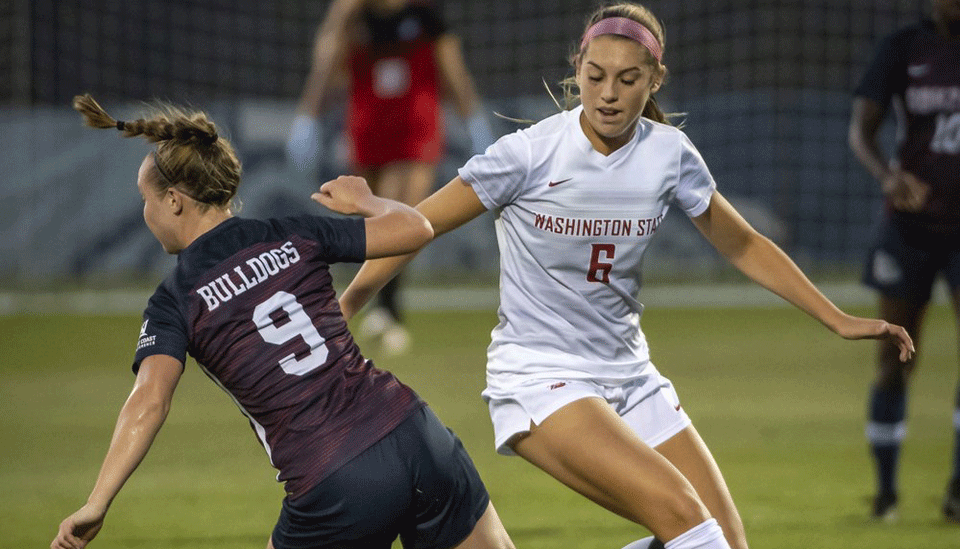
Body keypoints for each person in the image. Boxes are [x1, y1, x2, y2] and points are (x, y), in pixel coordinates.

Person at [337, 3, 918, 549]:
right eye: (595, 76)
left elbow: (743, 244)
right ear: (577, 71)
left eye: (628, 79)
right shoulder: (529, 154)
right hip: (541, 378)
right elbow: (413, 228)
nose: (608, 94)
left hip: (632, 377)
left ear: (655, 80)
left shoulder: (670, 153)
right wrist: (345, 308)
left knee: (724, 542)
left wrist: (837, 319)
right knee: (686, 519)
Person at [51, 94, 516, 549]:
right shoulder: (293, 232)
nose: (145, 212)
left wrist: (97, 502)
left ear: (173, 200)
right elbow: (417, 227)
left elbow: (149, 402)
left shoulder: (175, 299)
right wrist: (368, 200)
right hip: (415, 433)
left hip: (334, 477)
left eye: (146, 200)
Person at [287, 0, 495, 355]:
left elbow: (452, 71)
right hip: (368, 130)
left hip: (416, 130)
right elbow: (328, 65)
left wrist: (472, 118)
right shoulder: (354, 17)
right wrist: (308, 116)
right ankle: (381, 308)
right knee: (376, 223)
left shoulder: (426, 15)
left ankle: (388, 312)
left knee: (405, 213)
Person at [848, 0, 960, 524]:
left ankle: (957, 491)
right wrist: (886, 176)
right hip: (909, 227)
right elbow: (861, 131)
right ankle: (886, 495)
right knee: (894, 356)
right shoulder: (902, 47)